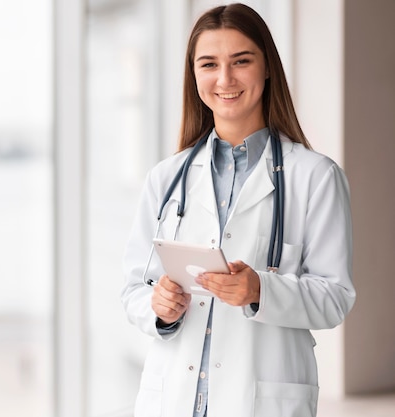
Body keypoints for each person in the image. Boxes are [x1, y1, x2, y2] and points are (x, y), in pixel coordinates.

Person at [121, 3, 355, 417]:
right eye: (209, 63)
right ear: (194, 76)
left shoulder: (315, 176)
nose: (224, 79)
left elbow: (335, 297)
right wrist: (159, 308)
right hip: (173, 400)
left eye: (241, 61)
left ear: (267, 68)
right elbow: (134, 289)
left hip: (261, 402)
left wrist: (261, 290)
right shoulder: (166, 177)